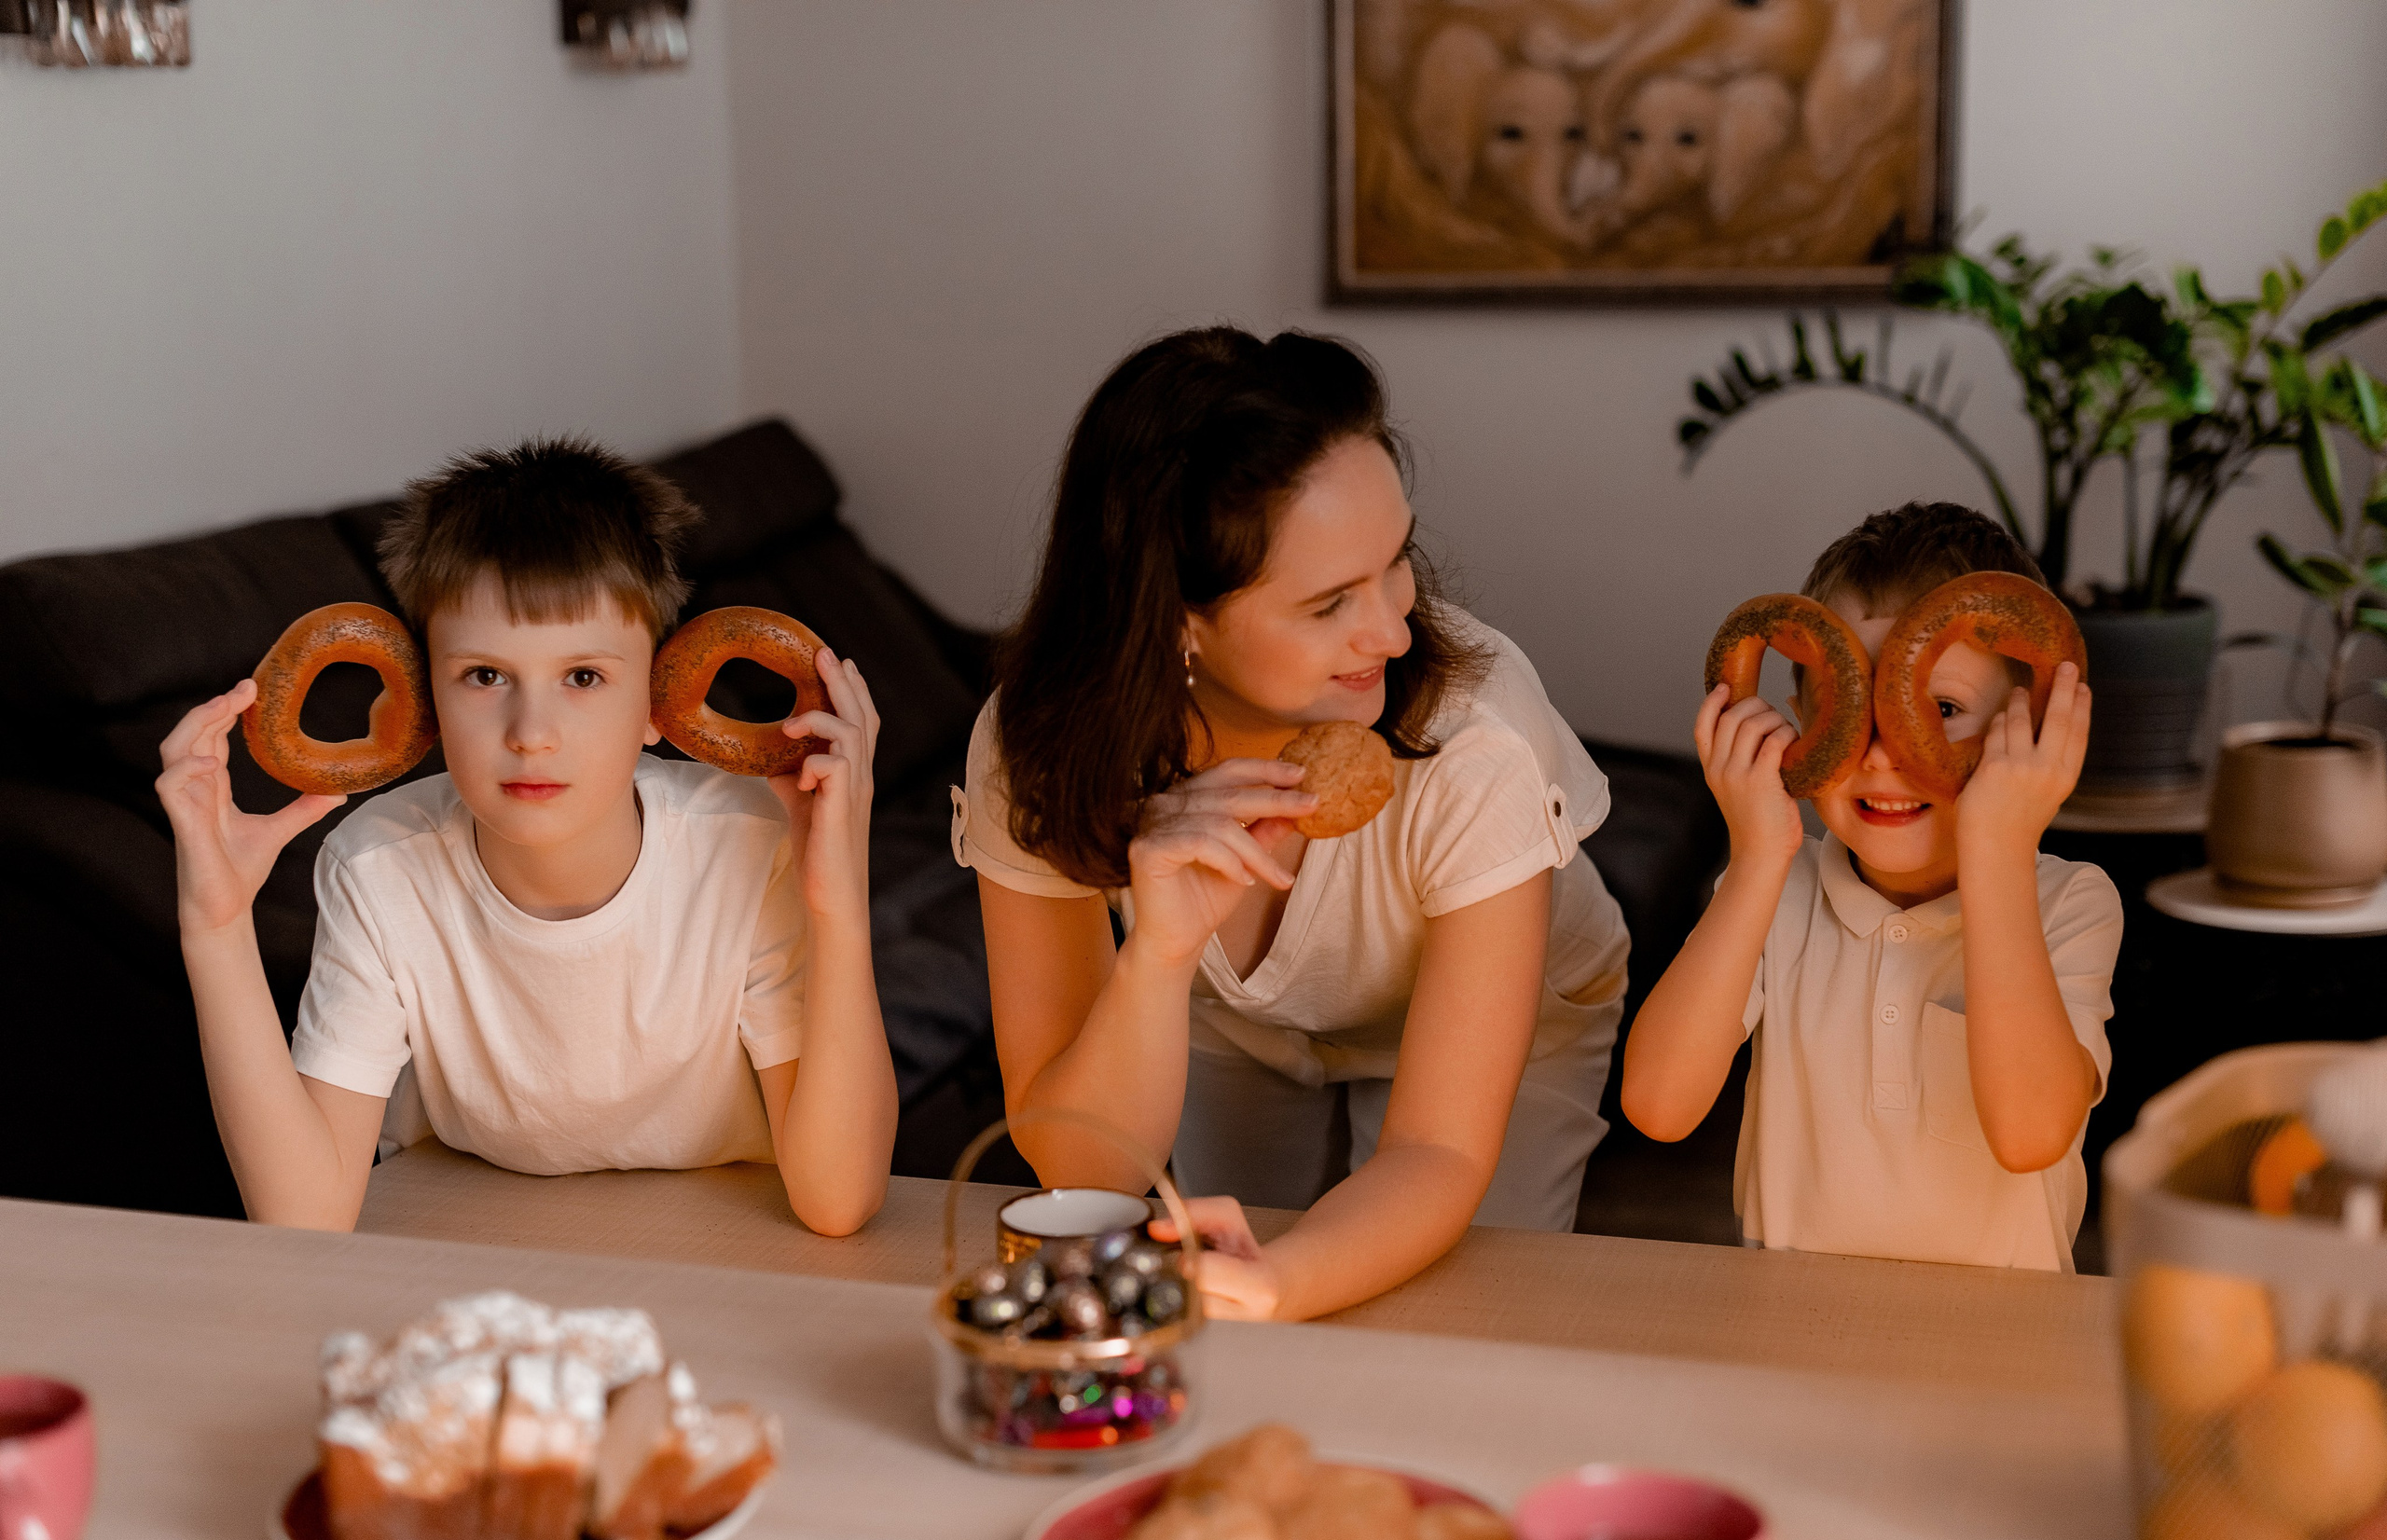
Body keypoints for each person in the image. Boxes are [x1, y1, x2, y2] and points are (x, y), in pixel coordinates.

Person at [953, 327, 1631, 1321]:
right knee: (1224, 1287)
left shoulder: (1475, 744)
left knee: (1442, 1315)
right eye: (1328, 604)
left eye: (1396, 563)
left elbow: (1434, 1151)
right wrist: (1158, 957)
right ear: (1175, 617)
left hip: (1521, 1017)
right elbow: (1083, 1161)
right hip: (1235, 1021)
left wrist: (1289, 1278)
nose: (1395, 631)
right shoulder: (1042, 747)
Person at [158, 439, 897, 1234]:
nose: (531, 733)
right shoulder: (378, 868)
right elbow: (303, 1217)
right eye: (485, 675)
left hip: (722, 1235)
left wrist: (839, 901)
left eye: (583, 677)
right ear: (423, 702)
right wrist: (217, 927)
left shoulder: (750, 846)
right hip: (476, 1239)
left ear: (660, 700)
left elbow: (838, 1198)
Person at [1621, 502, 2121, 1271]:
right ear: (1798, 721)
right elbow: (1657, 1105)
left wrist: (1995, 847)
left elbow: (2029, 1135)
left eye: (1942, 709)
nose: (1885, 754)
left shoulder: (2071, 903)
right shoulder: (1774, 891)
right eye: (1850, 706)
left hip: (2003, 1358)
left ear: (2031, 728)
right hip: (1788, 1338)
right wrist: (1756, 854)